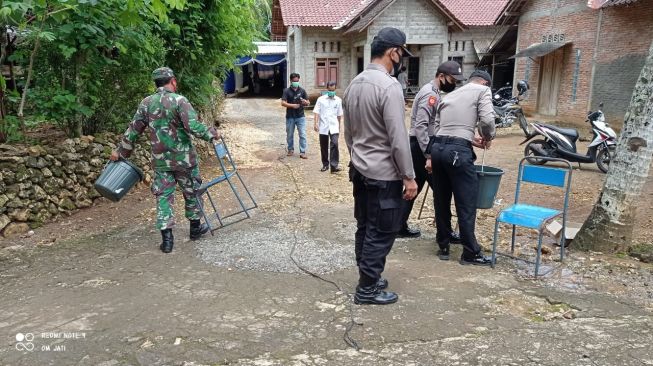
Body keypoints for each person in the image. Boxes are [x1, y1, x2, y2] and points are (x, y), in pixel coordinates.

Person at [343, 27, 418, 305]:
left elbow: (348, 133)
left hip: (360, 170)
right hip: (384, 174)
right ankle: (366, 289)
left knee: (364, 225)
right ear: (393, 52)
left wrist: (359, 157)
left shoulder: (354, 84)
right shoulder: (389, 87)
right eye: (402, 54)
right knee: (382, 229)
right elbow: (398, 138)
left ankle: (368, 276)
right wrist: (409, 177)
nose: (401, 60)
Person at [110, 67, 219, 254]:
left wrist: (121, 152)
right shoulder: (180, 101)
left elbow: (133, 130)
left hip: (161, 161)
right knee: (192, 190)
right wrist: (212, 134)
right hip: (184, 159)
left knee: (163, 196)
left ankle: (167, 240)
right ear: (173, 81)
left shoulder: (147, 103)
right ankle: (195, 229)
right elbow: (192, 126)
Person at [429, 69, 495, 266]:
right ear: (484, 82)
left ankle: (444, 243)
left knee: (441, 198)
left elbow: (439, 126)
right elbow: (487, 120)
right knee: (466, 203)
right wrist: (488, 136)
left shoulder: (451, 94)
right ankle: (470, 252)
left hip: (438, 149)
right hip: (458, 153)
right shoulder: (482, 91)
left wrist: (468, 137)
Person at [397, 61, 464, 242]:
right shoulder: (430, 94)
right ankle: (446, 233)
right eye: (452, 79)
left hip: (420, 146)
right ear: (441, 76)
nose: (454, 83)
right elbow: (421, 127)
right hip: (423, 147)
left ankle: (398, 225)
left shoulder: (432, 91)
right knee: (442, 190)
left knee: (414, 187)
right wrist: (428, 154)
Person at [313, 81, 343, 173]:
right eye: (330, 90)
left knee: (335, 144)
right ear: (327, 89)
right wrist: (315, 123)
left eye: (333, 90)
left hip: (334, 126)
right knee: (324, 146)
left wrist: (339, 126)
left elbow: (339, 114)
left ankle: (334, 166)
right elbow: (317, 112)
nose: (331, 92)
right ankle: (325, 165)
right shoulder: (321, 99)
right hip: (323, 126)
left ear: (335, 89)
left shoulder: (338, 100)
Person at [281, 73, 310, 159]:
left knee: (302, 134)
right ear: (291, 81)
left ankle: (303, 152)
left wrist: (306, 102)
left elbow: (308, 102)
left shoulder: (302, 91)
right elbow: (283, 103)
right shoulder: (286, 91)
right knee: (289, 134)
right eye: (294, 81)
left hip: (300, 116)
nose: (296, 82)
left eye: (297, 81)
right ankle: (290, 149)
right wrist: (292, 106)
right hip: (290, 116)